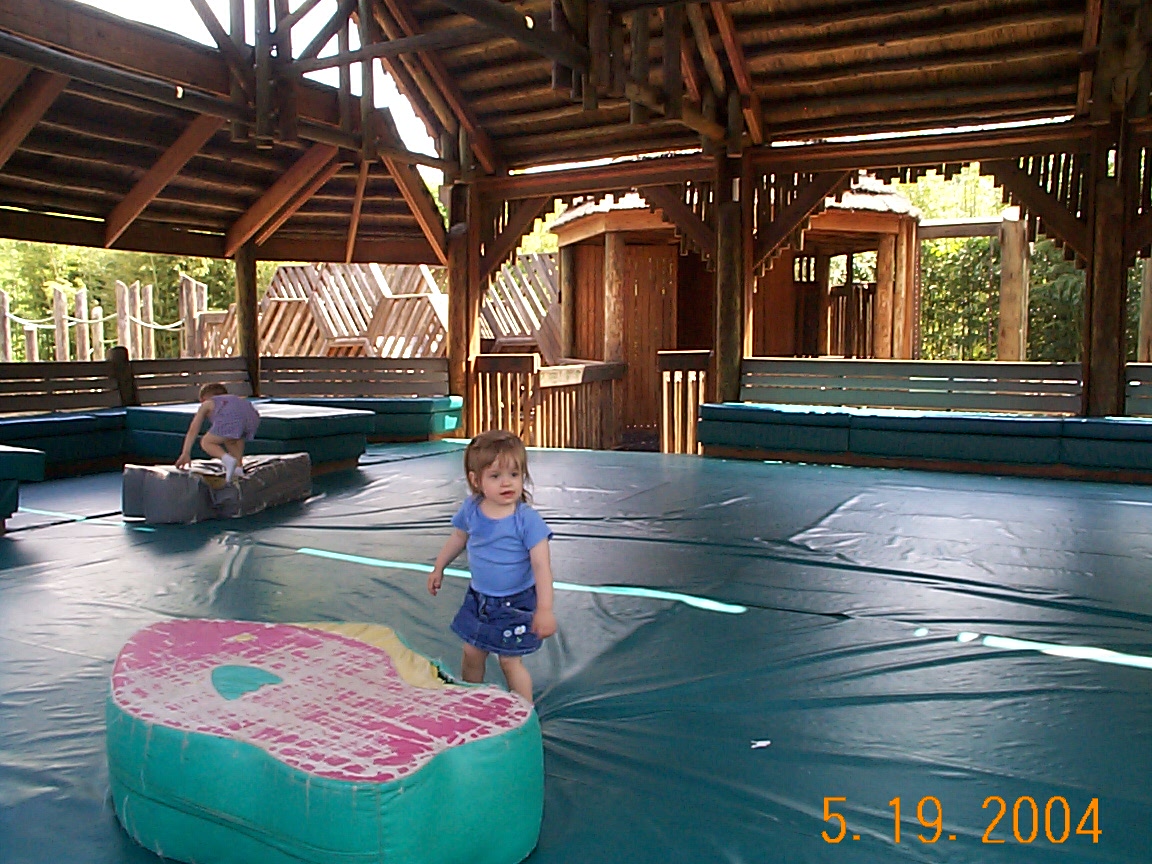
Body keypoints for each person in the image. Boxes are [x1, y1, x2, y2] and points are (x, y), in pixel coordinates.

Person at [428, 429, 556, 703]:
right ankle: (471, 702)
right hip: (479, 599)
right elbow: (458, 537)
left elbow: (542, 566)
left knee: (509, 661)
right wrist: (439, 566)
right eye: (495, 476)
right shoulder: (472, 509)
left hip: (514, 602)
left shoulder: (527, 520)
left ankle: (524, 711)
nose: (506, 482)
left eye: (514, 474)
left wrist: (544, 609)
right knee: (472, 652)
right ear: (476, 480)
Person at [175, 383, 261, 483]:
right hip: (252, 417)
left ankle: (228, 460)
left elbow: (193, 429)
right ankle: (238, 467)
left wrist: (186, 453)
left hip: (232, 418)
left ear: (202, 399)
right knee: (233, 439)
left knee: (206, 442)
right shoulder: (235, 399)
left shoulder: (209, 402)